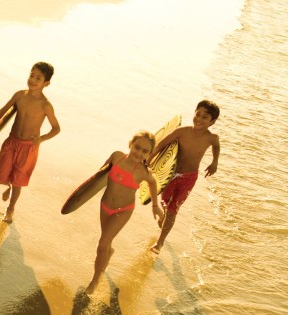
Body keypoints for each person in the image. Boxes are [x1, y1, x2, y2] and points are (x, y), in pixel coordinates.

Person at [84, 131, 164, 295]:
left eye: (144, 151)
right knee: (106, 240)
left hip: (123, 210)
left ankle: (94, 280)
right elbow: (100, 175)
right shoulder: (116, 157)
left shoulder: (142, 171)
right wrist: (83, 193)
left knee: (102, 244)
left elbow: (153, 182)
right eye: (137, 147)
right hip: (105, 205)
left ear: (149, 154)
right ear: (130, 144)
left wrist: (155, 205)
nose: (139, 153)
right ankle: (110, 251)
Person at [0, 62, 60, 223]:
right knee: (0, 176)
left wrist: (42, 139)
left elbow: (56, 128)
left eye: (38, 78)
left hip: (29, 148)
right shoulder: (19, 95)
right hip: (11, 142)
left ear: (46, 83)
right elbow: (2, 112)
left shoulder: (45, 105)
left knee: (18, 181)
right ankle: (7, 185)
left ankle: (10, 208)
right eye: (31, 75)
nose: (33, 80)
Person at [150, 100, 221, 254]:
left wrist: (215, 162)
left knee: (173, 209)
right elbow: (161, 144)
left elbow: (216, 146)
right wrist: (149, 160)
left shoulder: (211, 138)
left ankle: (160, 242)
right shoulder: (182, 131)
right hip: (169, 175)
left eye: (205, 117)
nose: (199, 119)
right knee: (164, 202)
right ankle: (163, 219)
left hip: (188, 178)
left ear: (212, 122)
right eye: (198, 114)